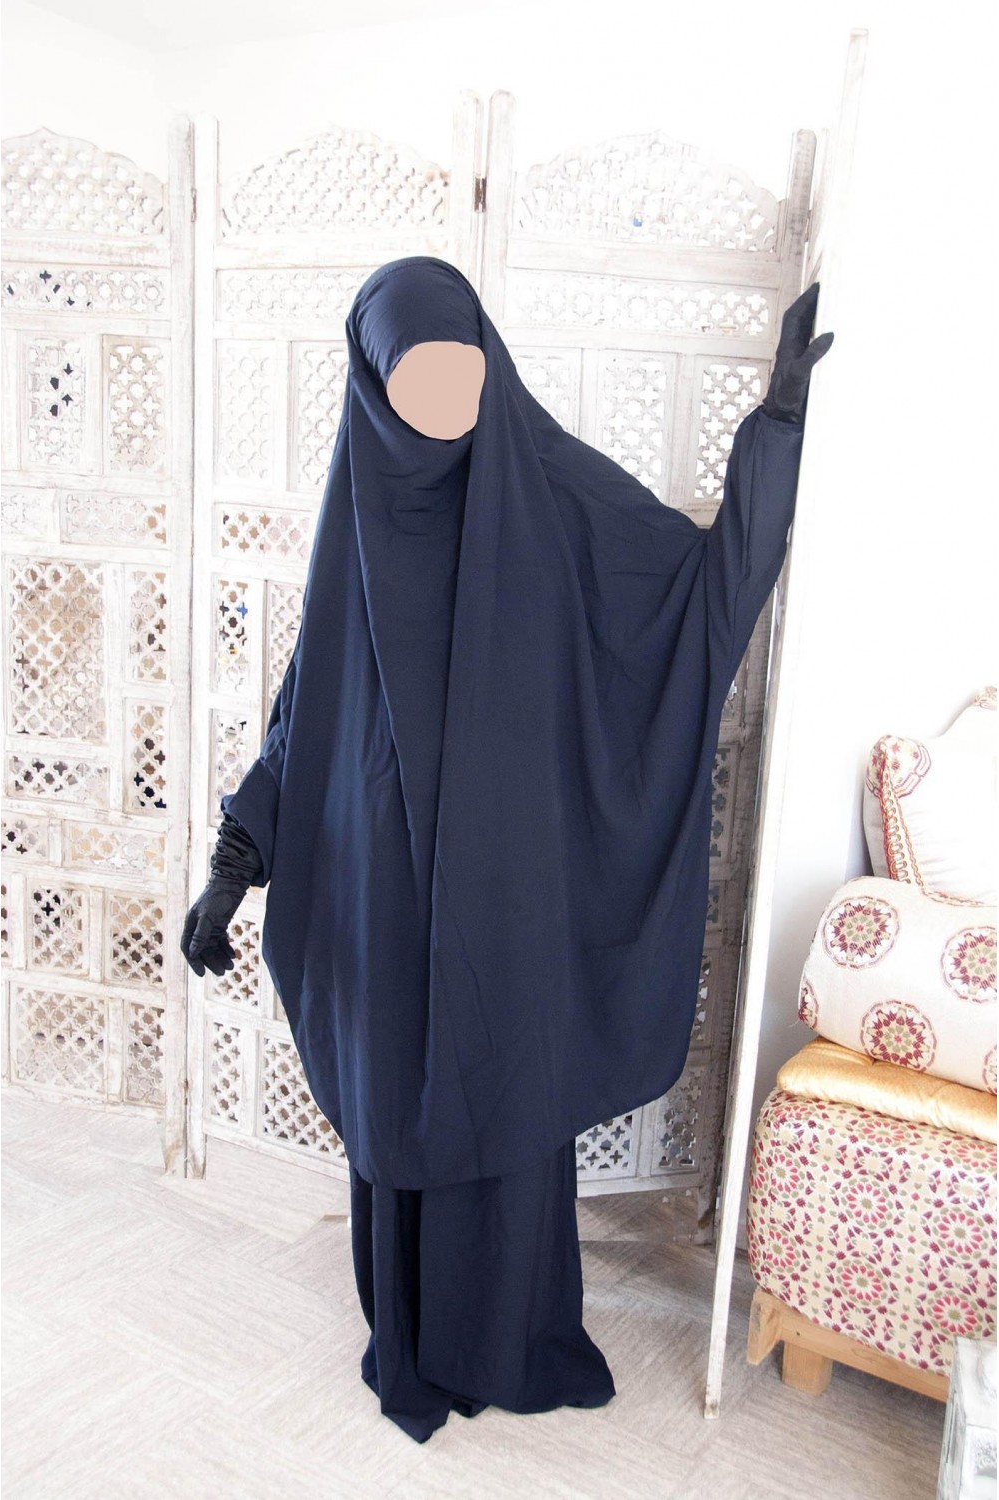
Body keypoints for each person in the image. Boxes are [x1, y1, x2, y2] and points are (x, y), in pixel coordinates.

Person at [181, 256, 833, 1441]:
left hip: (512, 895)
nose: (444, 397)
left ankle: (504, 1338)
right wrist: (234, 865)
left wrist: (775, 431)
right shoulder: (357, 524)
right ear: (372, 386)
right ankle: (413, 1339)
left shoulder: (552, 493)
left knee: (504, 1099)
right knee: (401, 1106)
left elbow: (706, 595)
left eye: (462, 369)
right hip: (381, 903)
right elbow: (303, 717)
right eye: (414, 377)